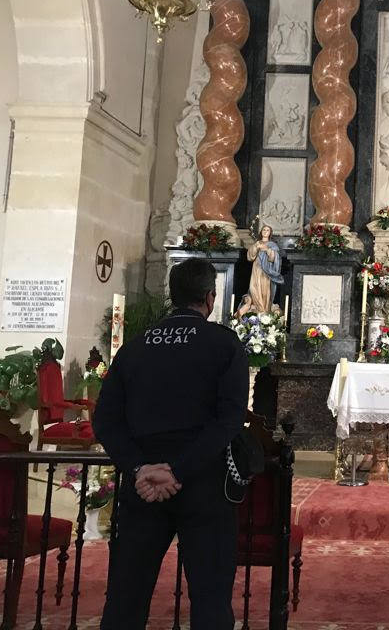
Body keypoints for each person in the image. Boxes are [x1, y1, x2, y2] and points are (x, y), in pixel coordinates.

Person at [94, 257, 249, 630]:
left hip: (142, 485)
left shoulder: (135, 347)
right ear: (211, 298)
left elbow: (105, 420)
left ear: (172, 295)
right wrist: (178, 470)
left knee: (126, 599)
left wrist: (139, 468)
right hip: (204, 484)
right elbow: (228, 421)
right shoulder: (223, 344)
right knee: (210, 599)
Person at [246, 221, 284, 314]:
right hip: (256, 268)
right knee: (253, 287)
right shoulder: (257, 243)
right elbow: (250, 256)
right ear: (261, 232)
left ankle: (264, 309)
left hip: (266, 271)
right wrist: (256, 247)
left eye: (267, 230)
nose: (265, 231)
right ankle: (257, 307)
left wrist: (268, 250)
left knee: (264, 290)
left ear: (270, 233)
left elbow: (275, 258)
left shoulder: (272, 245)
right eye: (264, 229)